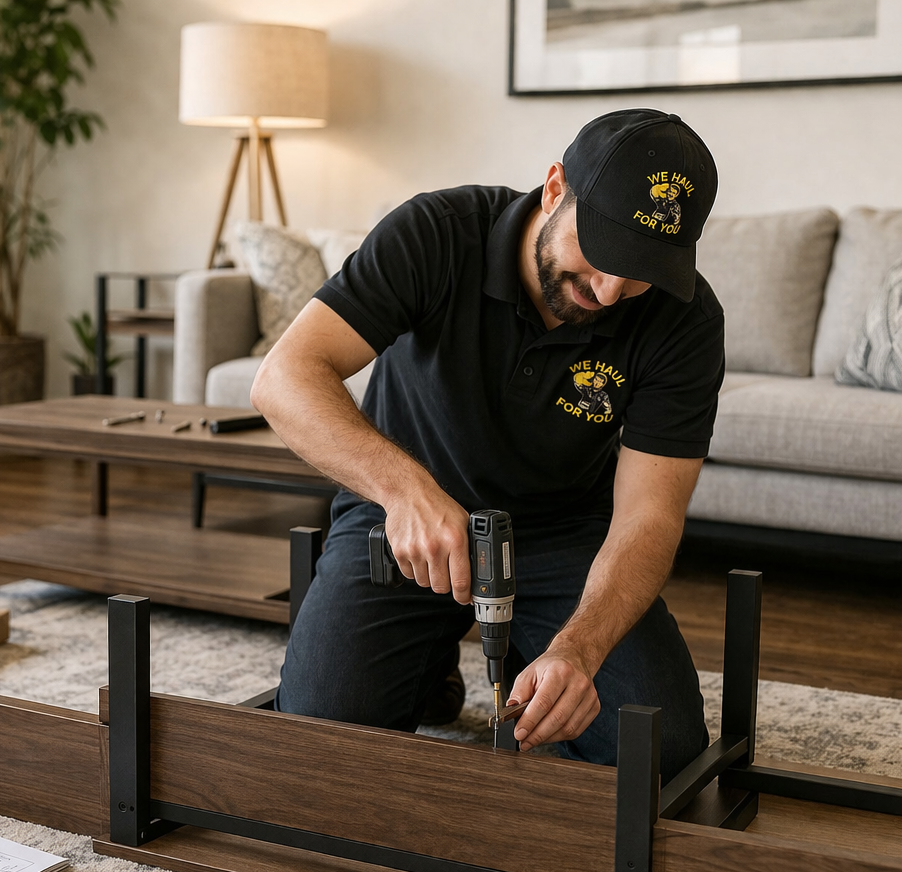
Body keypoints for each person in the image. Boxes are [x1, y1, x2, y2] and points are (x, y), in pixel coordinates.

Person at [251, 109, 724, 779]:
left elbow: (651, 514)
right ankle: (428, 658)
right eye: (606, 252)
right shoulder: (436, 234)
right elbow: (285, 378)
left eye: (642, 270)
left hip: (562, 537)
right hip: (404, 522)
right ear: (556, 188)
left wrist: (581, 652)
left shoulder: (686, 320)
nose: (612, 291)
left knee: (660, 750)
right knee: (325, 749)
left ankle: (524, 658)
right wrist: (404, 492)